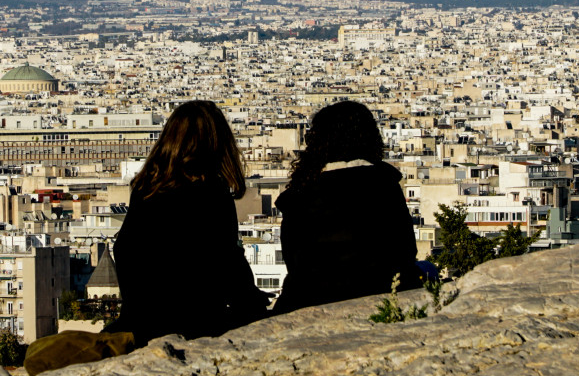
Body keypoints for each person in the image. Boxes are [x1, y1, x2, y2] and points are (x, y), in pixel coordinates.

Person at [105, 100, 268, 347]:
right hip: (195, 321)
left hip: (142, 320)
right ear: (216, 142)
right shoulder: (210, 190)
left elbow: (126, 249)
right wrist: (252, 304)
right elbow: (226, 257)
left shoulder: (146, 187)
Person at [272, 100, 422, 314]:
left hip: (313, 299)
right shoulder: (384, 184)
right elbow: (405, 251)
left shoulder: (300, 197)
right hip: (381, 295)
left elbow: (295, 263)